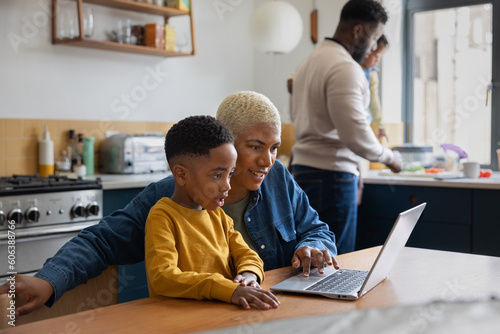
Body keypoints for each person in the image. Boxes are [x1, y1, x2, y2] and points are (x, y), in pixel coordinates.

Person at [1, 91, 339, 316]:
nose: (268, 161)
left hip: (273, 313)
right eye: (255, 146)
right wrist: (49, 280)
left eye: (275, 147)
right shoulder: (169, 199)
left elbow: (317, 229)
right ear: (228, 143)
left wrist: (312, 246)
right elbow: (102, 240)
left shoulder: (279, 178)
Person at [290, 0, 402, 255]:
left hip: (304, 172)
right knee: (333, 263)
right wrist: (389, 157)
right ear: (358, 31)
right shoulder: (345, 68)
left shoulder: (307, 63)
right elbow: (356, 135)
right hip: (333, 179)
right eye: (373, 37)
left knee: (310, 259)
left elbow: (298, 116)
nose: (374, 46)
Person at [145, 115, 279, 310]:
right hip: (180, 319)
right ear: (181, 175)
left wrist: (250, 275)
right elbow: (163, 277)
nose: (227, 185)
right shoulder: (163, 216)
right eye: (217, 175)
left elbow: (248, 255)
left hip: (221, 312)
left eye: (230, 173)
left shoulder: (218, 215)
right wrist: (226, 289)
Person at [362, 34, 389, 141]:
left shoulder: (373, 74)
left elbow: (374, 101)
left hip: (363, 120)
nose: (377, 61)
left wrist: (380, 126)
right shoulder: (353, 69)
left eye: (379, 57)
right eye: (375, 56)